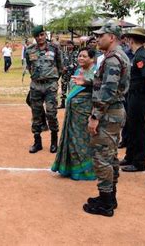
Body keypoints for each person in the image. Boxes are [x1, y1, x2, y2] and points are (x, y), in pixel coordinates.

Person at [73, 21, 130, 217]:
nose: (97, 39)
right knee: (111, 156)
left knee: (102, 158)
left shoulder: (113, 59)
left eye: (101, 35)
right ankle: (109, 197)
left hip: (107, 114)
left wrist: (95, 116)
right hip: (113, 112)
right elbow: (106, 84)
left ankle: (105, 203)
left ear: (112, 37)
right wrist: (88, 82)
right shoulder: (115, 57)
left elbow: (108, 91)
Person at [52, 48, 97, 180]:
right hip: (73, 114)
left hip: (86, 113)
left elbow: (98, 94)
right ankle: (72, 169)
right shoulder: (78, 71)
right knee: (72, 140)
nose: (80, 58)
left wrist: (94, 115)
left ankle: (86, 171)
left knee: (84, 142)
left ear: (92, 58)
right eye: (79, 56)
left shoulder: (96, 72)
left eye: (84, 56)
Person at [120, 28, 145, 172]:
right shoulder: (137, 55)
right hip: (133, 95)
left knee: (138, 128)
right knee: (131, 127)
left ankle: (139, 161)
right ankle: (130, 156)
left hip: (139, 96)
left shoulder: (141, 56)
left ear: (131, 40)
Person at [25, 25, 63, 154]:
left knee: (51, 113)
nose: (40, 38)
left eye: (41, 35)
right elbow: (30, 66)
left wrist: (53, 80)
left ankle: (54, 141)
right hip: (36, 85)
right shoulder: (29, 50)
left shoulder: (55, 48)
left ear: (44, 35)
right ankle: (37, 142)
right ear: (34, 37)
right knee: (36, 114)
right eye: (37, 36)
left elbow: (60, 66)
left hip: (50, 86)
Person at [59, 40, 79, 108]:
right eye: (68, 45)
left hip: (72, 74)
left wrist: (66, 68)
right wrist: (62, 69)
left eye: (70, 45)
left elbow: (76, 63)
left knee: (72, 89)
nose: (69, 46)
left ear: (73, 46)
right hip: (64, 74)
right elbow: (62, 62)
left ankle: (71, 104)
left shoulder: (76, 53)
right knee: (63, 88)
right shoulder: (64, 53)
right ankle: (62, 103)